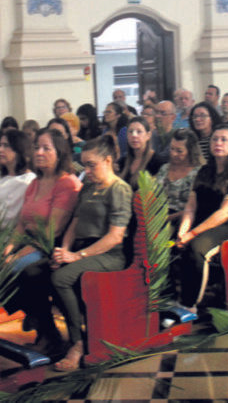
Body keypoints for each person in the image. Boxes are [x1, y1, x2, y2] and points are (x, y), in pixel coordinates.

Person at [49, 134, 133, 370]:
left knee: (61, 278)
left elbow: (115, 236)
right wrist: (63, 250)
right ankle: (77, 332)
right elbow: (75, 221)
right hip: (83, 249)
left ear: (108, 161)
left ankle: (77, 344)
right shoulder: (88, 186)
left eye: (91, 164)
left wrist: (77, 256)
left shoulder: (119, 189)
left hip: (109, 254)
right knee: (47, 272)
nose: (86, 170)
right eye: (84, 164)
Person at [3, 128, 82, 352]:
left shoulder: (66, 183)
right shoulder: (34, 184)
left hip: (53, 247)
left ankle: (47, 331)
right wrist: (9, 248)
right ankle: (37, 319)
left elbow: (53, 230)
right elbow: (21, 223)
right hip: (30, 244)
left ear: (60, 153)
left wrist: (18, 255)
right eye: (37, 147)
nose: (39, 152)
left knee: (22, 271)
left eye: (46, 148)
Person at [176, 124, 228, 314]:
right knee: (167, 235)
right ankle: (168, 294)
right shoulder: (203, 171)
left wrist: (192, 234)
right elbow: (191, 207)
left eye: (224, 139)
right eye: (215, 139)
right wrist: (182, 231)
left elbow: (225, 213)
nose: (218, 143)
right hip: (204, 223)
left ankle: (188, 304)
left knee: (198, 247)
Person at [155, 128, 204, 224]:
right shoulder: (164, 168)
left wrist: (167, 218)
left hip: (182, 220)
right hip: (157, 216)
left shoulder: (199, 173)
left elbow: (196, 208)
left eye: (179, 151)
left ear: (190, 151)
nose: (174, 154)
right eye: (172, 148)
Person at [117, 116, 165, 185]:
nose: (134, 136)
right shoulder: (122, 162)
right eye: (130, 132)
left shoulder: (158, 163)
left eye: (139, 132)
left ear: (148, 135)